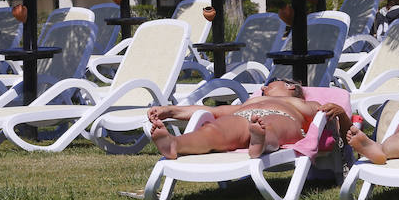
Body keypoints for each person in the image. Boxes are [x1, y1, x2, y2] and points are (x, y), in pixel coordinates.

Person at [148, 78, 350, 159]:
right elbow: (209, 110)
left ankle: (261, 140)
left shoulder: (300, 104)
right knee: (213, 130)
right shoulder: (247, 104)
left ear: (290, 86)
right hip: (245, 116)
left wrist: (339, 111)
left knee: (272, 127)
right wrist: (171, 111)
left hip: (284, 117)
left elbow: (336, 125)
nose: (262, 88)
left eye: (270, 84)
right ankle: (175, 144)